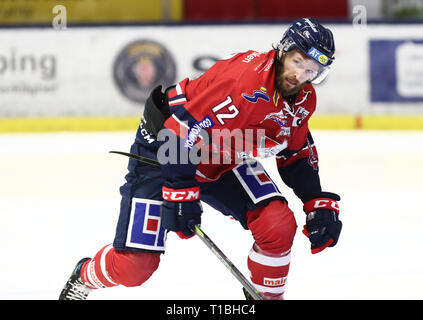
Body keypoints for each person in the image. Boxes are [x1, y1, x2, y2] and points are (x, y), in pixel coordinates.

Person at [59, 17, 342, 300]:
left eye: (311, 70)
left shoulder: (304, 98)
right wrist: (180, 189)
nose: (300, 75)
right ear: (283, 50)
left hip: (221, 153)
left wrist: (315, 199)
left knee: (277, 225)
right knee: (135, 266)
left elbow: (293, 150)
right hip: (164, 151)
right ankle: (83, 277)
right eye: (297, 62)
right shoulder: (245, 85)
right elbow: (178, 133)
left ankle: (266, 298)